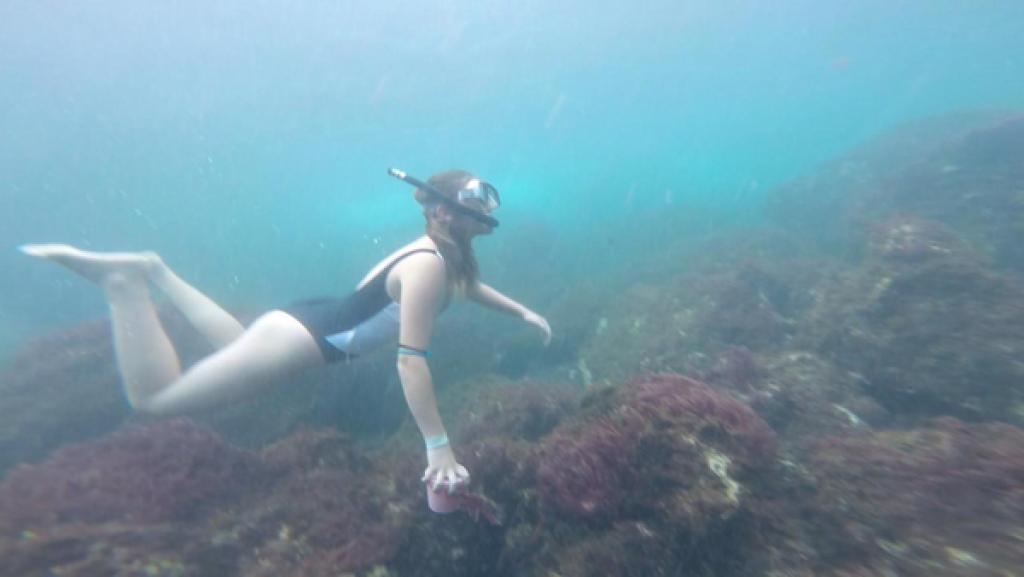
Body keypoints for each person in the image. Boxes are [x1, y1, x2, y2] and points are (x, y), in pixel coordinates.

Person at [19, 168, 552, 498]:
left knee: (236, 349)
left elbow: (468, 287)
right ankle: (125, 285)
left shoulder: (441, 257)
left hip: (304, 324)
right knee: (155, 400)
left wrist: (523, 313)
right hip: (307, 339)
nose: (487, 218)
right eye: (478, 208)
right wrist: (438, 446)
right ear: (444, 211)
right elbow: (411, 360)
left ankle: (156, 271)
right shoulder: (428, 266)